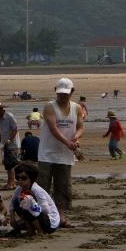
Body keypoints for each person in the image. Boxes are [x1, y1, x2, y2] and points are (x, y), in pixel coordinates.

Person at [38, 77, 82, 226]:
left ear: (72, 92)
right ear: (55, 91)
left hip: (65, 154)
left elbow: (80, 127)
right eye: (60, 93)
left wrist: (76, 137)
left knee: (63, 186)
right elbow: (53, 128)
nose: (62, 96)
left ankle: (61, 216)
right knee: (42, 185)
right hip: (47, 153)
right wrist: (68, 142)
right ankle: (40, 215)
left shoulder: (76, 108)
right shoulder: (49, 107)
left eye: (66, 93)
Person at [9, 162, 61, 236]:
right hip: (38, 217)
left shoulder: (37, 190)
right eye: (17, 178)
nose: (20, 180)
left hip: (50, 223)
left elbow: (46, 209)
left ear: (31, 178)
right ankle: (31, 230)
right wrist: (12, 218)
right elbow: (12, 203)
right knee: (18, 203)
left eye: (24, 178)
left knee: (27, 203)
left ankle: (40, 231)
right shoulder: (19, 189)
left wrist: (33, 204)